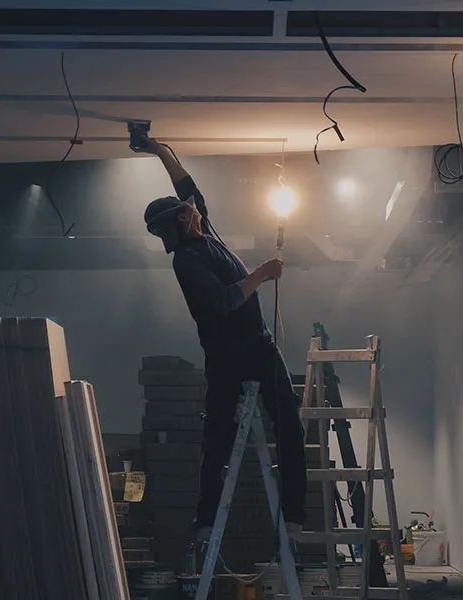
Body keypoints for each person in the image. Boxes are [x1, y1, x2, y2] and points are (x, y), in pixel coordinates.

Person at [143, 138, 307, 541]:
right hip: (229, 357)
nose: (195, 208)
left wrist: (160, 150)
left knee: (289, 425)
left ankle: (293, 515)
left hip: (259, 346)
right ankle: (206, 520)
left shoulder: (204, 236)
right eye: (188, 210)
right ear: (182, 221)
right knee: (218, 436)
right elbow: (224, 301)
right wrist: (263, 273)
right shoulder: (188, 259)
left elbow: (188, 188)